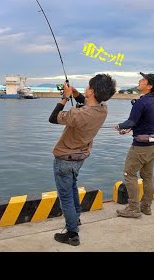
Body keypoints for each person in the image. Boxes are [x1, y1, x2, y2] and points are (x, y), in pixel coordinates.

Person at [49, 74, 117, 246]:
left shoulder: (77, 114)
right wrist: (75, 93)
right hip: (79, 157)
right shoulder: (103, 109)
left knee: (65, 195)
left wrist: (65, 98)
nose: (86, 89)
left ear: (92, 91)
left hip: (64, 158)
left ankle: (72, 233)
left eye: (88, 87)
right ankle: (76, 219)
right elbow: (86, 103)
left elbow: (53, 117)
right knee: (72, 188)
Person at [115, 72, 154, 218]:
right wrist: (130, 128)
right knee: (147, 176)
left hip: (141, 146)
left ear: (149, 86)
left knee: (129, 174)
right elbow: (143, 122)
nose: (139, 81)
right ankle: (146, 207)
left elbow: (130, 122)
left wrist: (119, 126)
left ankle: (133, 208)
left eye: (143, 80)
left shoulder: (141, 102)